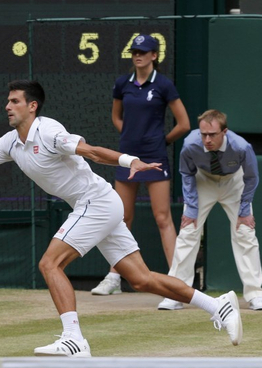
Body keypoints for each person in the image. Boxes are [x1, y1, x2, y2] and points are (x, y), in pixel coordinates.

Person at [0, 79, 242, 357]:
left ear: (32, 106)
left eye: (15, 101)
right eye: (7, 101)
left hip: (95, 203)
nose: (7, 106)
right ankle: (217, 305)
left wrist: (129, 161)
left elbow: (91, 151)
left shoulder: (49, 131)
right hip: (98, 204)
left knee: (49, 264)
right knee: (141, 280)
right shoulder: (9, 143)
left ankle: (74, 339)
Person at [91, 34, 190, 296]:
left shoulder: (164, 85)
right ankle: (114, 278)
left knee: (162, 218)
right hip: (127, 158)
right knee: (121, 218)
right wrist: (129, 136)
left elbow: (184, 124)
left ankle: (177, 281)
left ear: (154, 56)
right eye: (135, 52)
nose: (138, 56)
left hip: (155, 157)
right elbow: (116, 117)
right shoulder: (122, 84)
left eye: (143, 52)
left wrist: (160, 142)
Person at [157, 110, 262, 311]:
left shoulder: (241, 147)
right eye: (204, 135)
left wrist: (244, 210)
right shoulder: (190, 145)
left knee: (245, 233)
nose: (207, 140)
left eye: (212, 135)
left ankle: (255, 295)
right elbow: (186, 173)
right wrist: (191, 208)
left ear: (224, 132)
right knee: (188, 231)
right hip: (203, 180)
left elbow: (251, 177)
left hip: (234, 182)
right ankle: (176, 293)